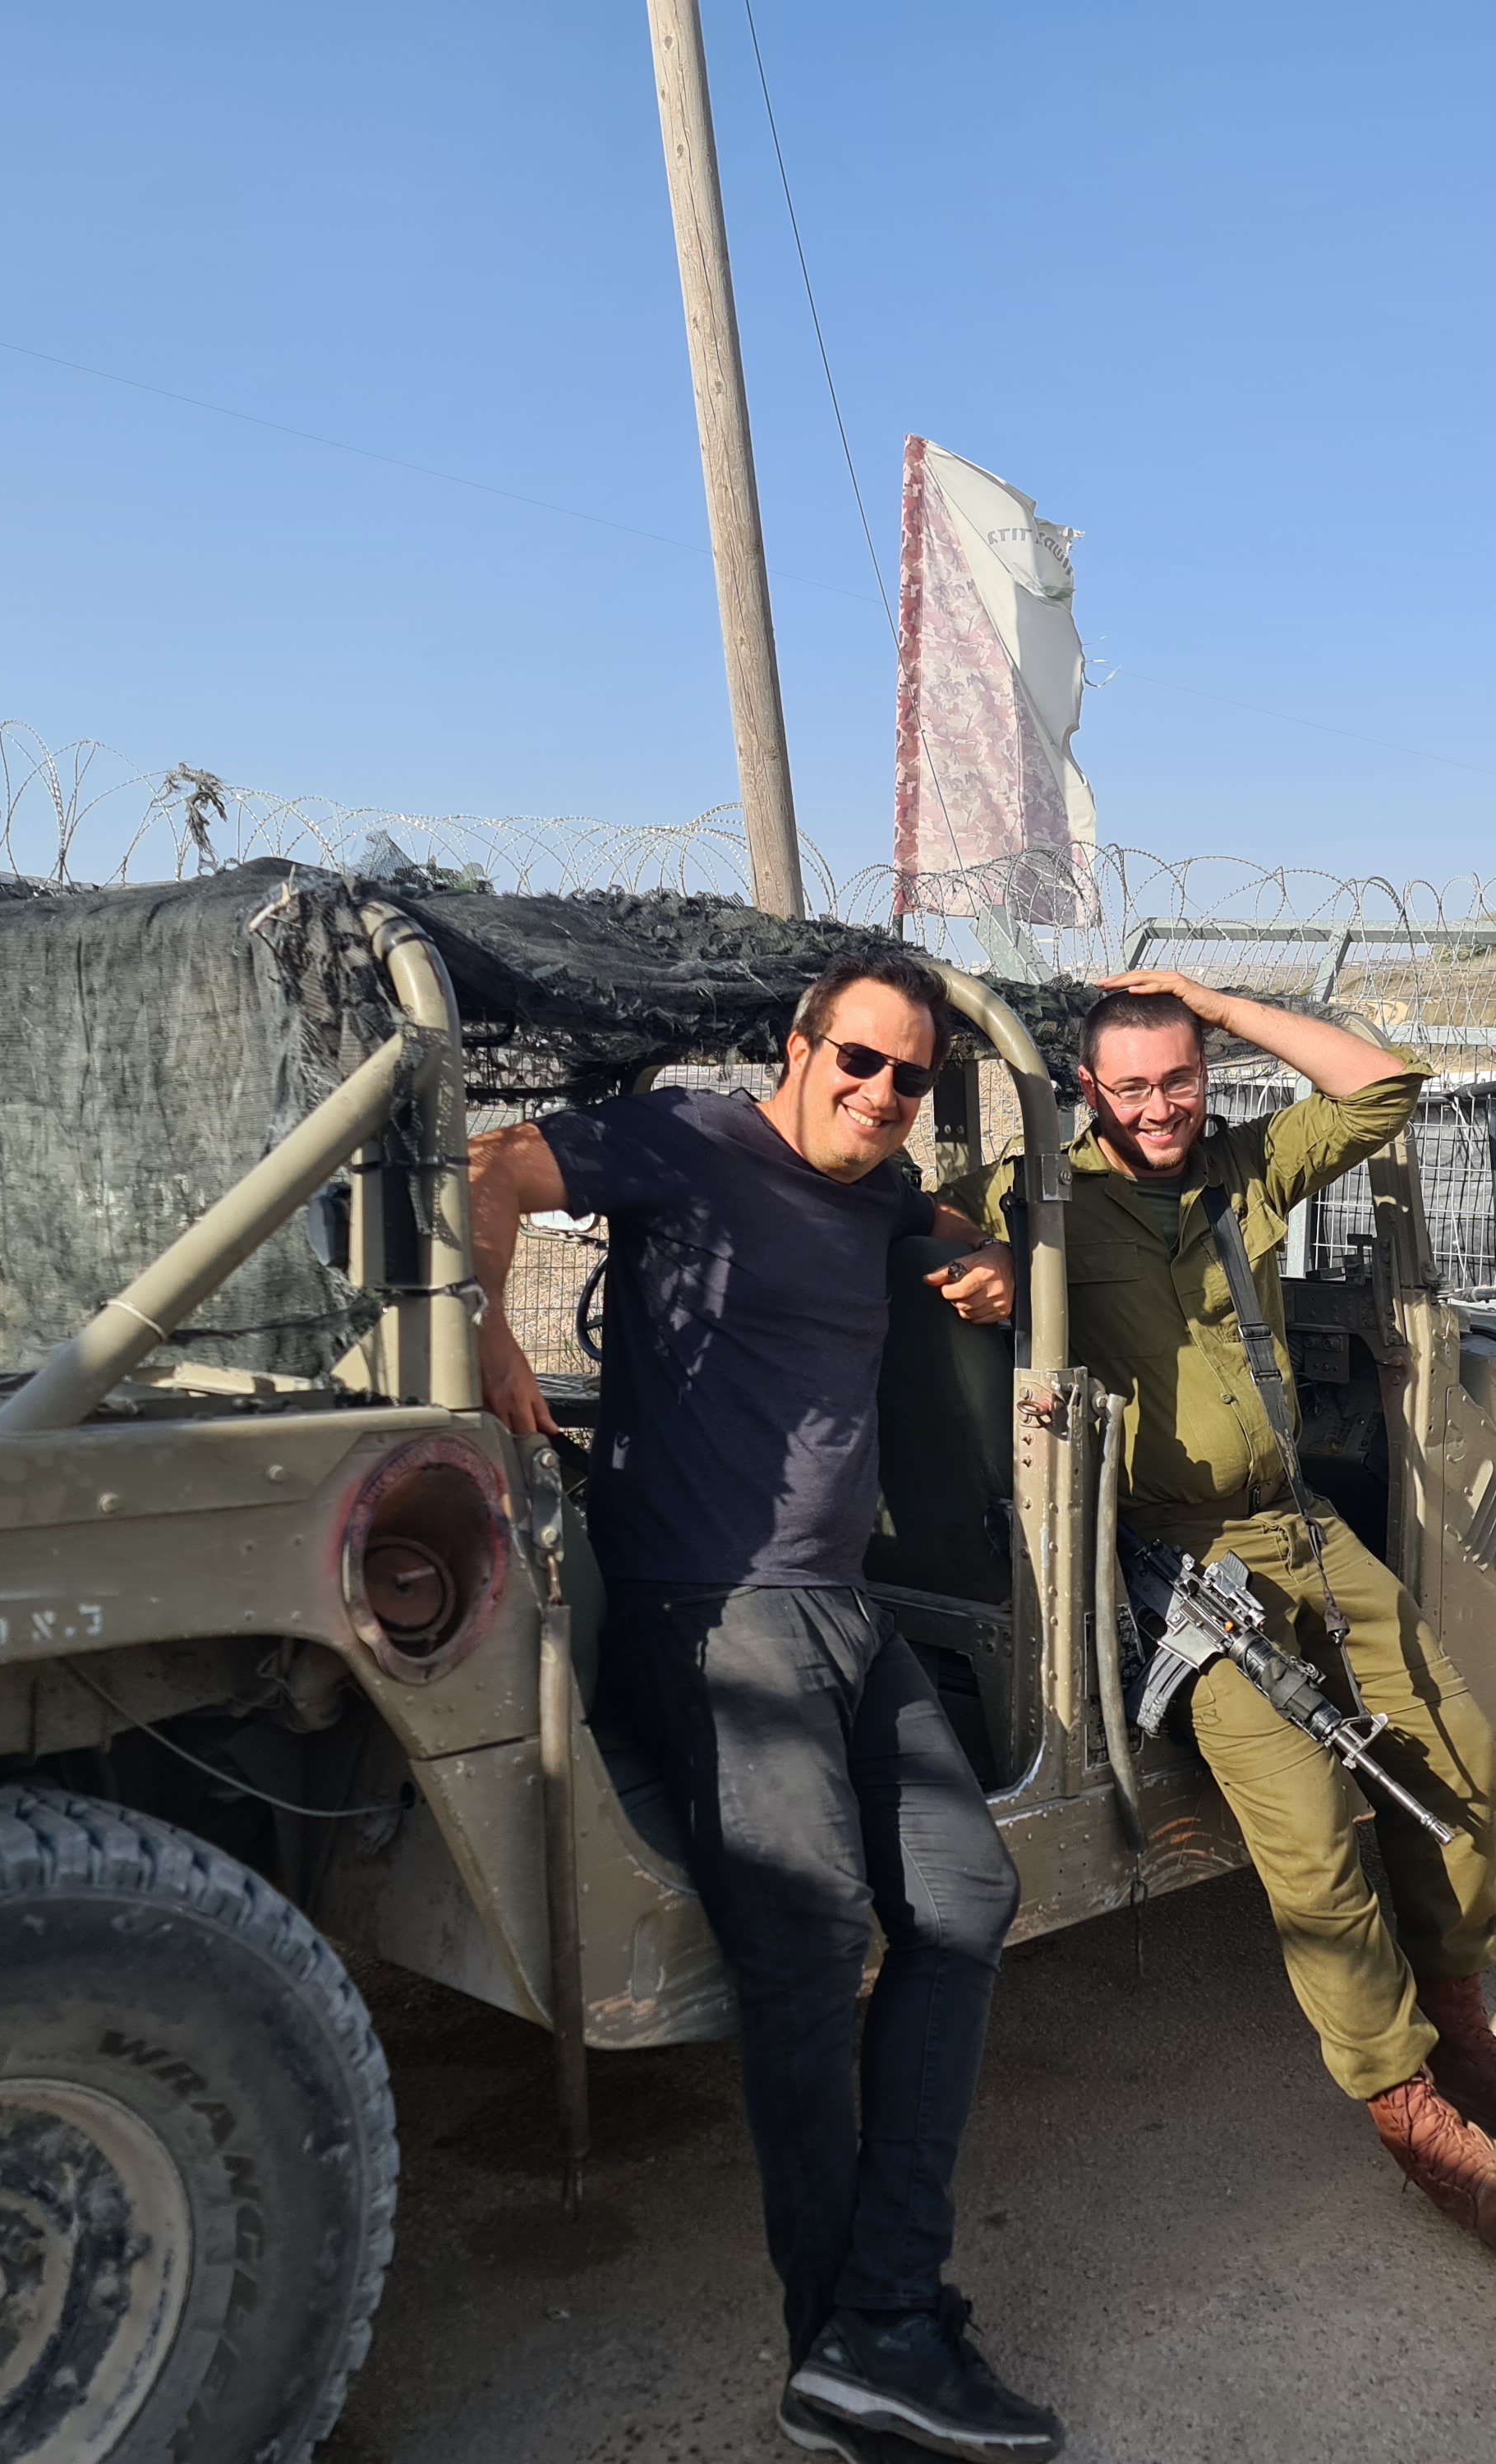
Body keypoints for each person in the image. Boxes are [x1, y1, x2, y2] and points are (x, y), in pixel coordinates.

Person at [468, 947, 1065, 2464]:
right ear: (797, 1049)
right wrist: (482, 1329)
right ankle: (860, 2336)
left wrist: (991, 1255)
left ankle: (879, 2319)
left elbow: (942, 1224)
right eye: (857, 1059)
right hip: (709, 1606)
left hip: (844, 1609)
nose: (880, 1092)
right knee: (806, 1943)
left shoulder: (879, 1192)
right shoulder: (690, 1139)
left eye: (909, 1076)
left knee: (965, 1896)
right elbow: (495, 1167)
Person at [945, 970, 1496, 2266]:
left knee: (1457, 1747)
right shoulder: (1041, 1193)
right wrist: (981, 1261)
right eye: (1131, 1087)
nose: (1159, 1108)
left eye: (1180, 1080)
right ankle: (1406, 2104)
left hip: (1300, 1525)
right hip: (1169, 1562)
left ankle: (1462, 2030)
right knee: (1302, 1818)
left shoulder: (1247, 1169)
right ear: (1088, 1091)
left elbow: (1385, 1086)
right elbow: (911, 1220)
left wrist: (1217, 1005)